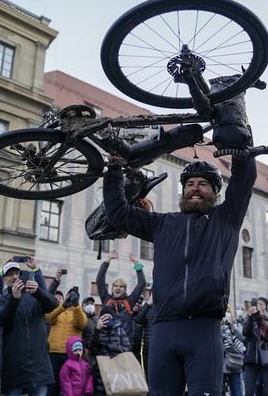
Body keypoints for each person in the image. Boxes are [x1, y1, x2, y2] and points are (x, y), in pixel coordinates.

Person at [103, 85, 257, 394]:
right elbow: (119, 214)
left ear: (214, 194)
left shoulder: (225, 219)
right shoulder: (163, 224)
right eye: (190, 184)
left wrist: (240, 134)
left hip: (204, 330)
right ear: (183, 191)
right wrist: (116, 170)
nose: (196, 188)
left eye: (204, 185)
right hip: (163, 329)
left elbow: (244, 179)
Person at [0, 260, 58, 396]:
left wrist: (39, 291)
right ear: (4, 280)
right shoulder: (0, 301)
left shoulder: (34, 297)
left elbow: (53, 304)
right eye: (10, 275)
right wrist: (14, 299)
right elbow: (3, 320)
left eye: (16, 273)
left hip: (39, 367)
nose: (14, 277)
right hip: (15, 368)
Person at [96, 250, 146, 344]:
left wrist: (136, 263)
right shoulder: (106, 299)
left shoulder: (129, 301)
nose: (118, 288)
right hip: (107, 342)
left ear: (125, 289)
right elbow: (99, 280)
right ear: (112, 288)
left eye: (121, 286)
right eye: (116, 286)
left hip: (125, 344)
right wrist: (108, 260)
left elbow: (142, 283)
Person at [46, 286, 88, 396]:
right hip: (54, 352)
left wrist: (76, 306)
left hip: (70, 355)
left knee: (68, 385)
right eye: (70, 296)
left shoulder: (79, 311)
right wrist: (63, 306)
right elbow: (49, 318)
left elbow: (82, 323)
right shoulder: (58, 309)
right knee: (52, 384)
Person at [243, 298, 268, 396]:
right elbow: (245, 333)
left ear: (265, 306)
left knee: (267, 391)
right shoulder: (250, 319)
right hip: (251, 359)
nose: (258, 306)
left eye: (261, 304)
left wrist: (259, 318)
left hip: (266, 358)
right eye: (257, 304)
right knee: (248, 391)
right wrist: (250, 318)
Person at [222, 310, 245, 396]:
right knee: (220, 391)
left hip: (235, 362)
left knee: (237, 391)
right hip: (221, 363)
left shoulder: (236, 327)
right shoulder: (216, 328)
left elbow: (242, 339)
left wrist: (233, 327)